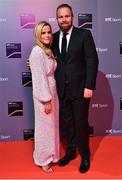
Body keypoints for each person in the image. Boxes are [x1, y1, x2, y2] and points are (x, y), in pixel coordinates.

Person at [51, 4, 99, 173]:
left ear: (72, 17)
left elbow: (92, 61)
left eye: (67, 16)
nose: (64, 19)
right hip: (61, 90)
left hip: (80, 89)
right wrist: (34, 61)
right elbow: (47, 56)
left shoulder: (84, 35)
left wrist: (89, 85)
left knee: (80, 123)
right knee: (68, 123)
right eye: (60, 17)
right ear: (56, 19)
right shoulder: (54, 38)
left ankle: (85, 156)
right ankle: (71, 152)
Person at [29, 21, 59, 173]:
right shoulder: (37, 52)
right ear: (37, 34)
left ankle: (52, 155)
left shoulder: (46, 50)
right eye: (43, 33)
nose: (47, 35)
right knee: (44, 129)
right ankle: (43, 159)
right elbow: (39, 79)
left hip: (52, 93)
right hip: (44, 96)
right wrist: (46, 100)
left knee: (51, 127)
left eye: (48, 32)